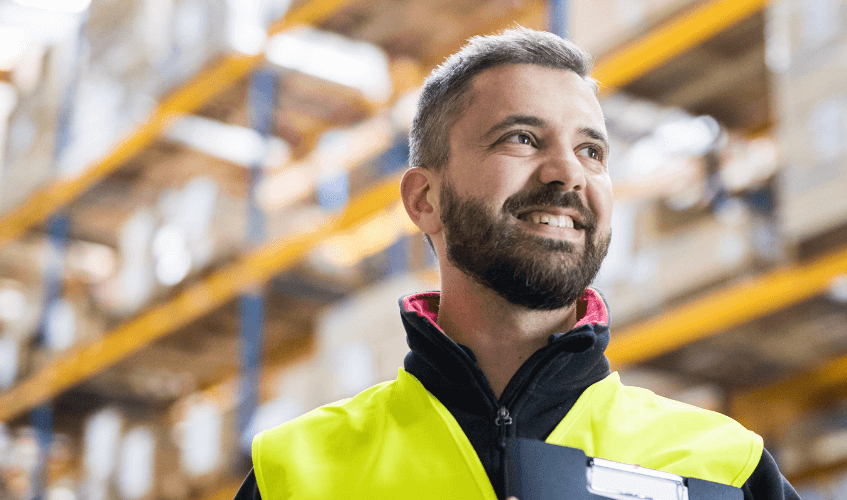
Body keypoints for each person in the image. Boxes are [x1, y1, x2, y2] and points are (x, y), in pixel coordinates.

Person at [234, 28, 799, 500]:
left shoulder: (722, 468)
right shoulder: (298, 476)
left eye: (591, 151)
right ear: (425, 200)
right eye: (522, 138)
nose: (567, 173)